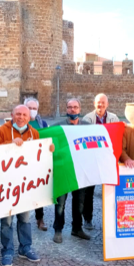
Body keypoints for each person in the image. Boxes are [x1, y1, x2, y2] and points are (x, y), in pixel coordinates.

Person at [0, 105, 42, 266]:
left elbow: (40, 155)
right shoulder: (1, 131)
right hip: (6, 185)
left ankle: (25, 247)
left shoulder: (34, 133)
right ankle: (7, 251)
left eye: (24, 115)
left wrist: (48, 150)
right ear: (12, 115)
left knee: (25, 219)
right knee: (7, 221)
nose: (21, 117)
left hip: (25, 185)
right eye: (18, 114)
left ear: (29, 117)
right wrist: (10, 144)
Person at [52, 99, 91, 243]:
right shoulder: (57, 127)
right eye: (70, 107)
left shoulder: (88, 127)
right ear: (66, 109)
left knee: (79, 201)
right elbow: (51, 147)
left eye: (75, 107)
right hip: (63, 170)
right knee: (60, 202)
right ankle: (58, 230)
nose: (72, 110)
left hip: (80, 171)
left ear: (80, 109)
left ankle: (77, 228)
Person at [81, 93, 119, 229]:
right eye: (98, 102)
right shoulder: (87, 119)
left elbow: (118, 137)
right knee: (89, 192)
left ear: (107, 104)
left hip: (107, 160)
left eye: (103, 102)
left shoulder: (114, 118)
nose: (101, 105)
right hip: (92, 160)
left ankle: (110, 219)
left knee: (110, 191)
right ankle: (88, 218)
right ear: (94, 104)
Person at [24, 97, 49, 231]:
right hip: (22, 163)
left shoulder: (42, 123)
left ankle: (40, 219)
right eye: (29, 108)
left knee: (39, 192)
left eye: (34, 108)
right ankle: (23, 219)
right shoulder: (19, 122)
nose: (32, 111)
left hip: (38, 162)